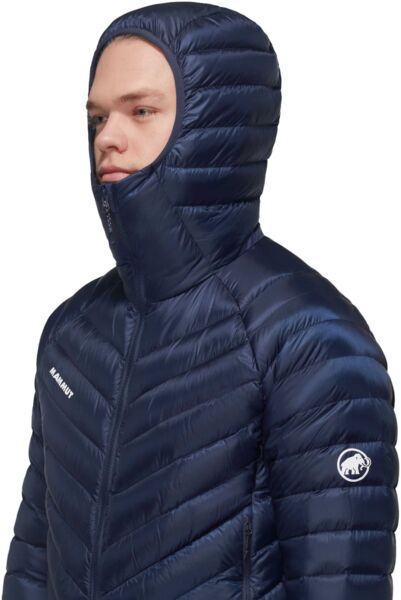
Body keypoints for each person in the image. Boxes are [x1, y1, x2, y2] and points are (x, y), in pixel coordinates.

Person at [2, 2, 398, 599]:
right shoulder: (73, 332)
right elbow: (34, 559)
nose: (107, 137)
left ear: (216, 123)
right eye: (98, 116)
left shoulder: (309, 339)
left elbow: (339, 581)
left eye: (141, 111)